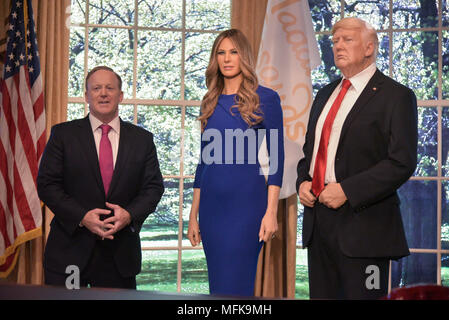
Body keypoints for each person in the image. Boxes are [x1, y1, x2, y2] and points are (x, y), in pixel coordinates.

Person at [296, 17, 418, 299]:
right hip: (319, 227)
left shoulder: (396, 96)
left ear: (369, 48)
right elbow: (311, 153)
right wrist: (303, 181)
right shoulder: (325, 93)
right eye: (335, 40)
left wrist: (347, 191)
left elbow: (401, 161)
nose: (338, 45)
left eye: (347, 39)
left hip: (366, 230)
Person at [37, 66, 164, 289]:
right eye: (96, 88)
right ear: (86, 96)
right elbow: (47, 185)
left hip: (119, 256)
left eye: (109, 88)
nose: (103, 93)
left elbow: (153, 188)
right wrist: (82, 216)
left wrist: (129, 215)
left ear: (120, 95)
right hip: (69, 253)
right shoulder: (63, 135)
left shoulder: (142, 140)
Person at [187, 29, 285, 296]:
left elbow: (277, 159)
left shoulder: (266, 98)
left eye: (234, 52)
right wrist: (193, 215)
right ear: (214, 58)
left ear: (245, 57)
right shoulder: (209, 101)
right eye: (221, 52)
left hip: (247, 208)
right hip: (211, 210)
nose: (227, 59)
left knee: (238, 287)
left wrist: (271, 212)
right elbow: (203, 162)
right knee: (218, 287)